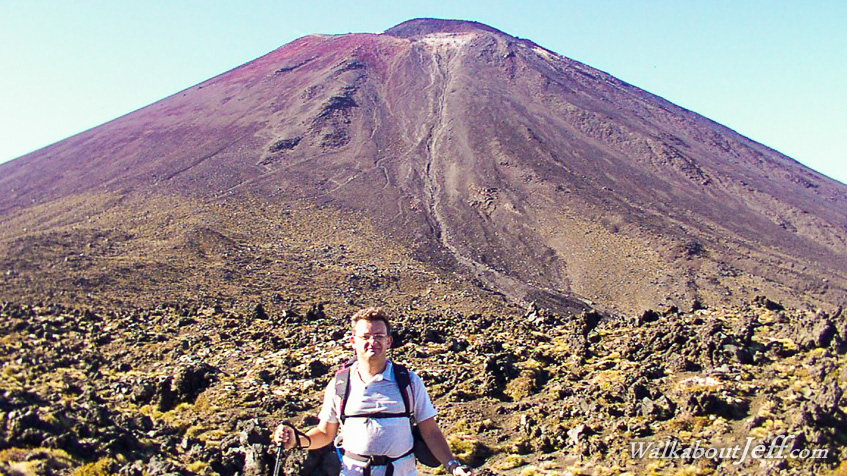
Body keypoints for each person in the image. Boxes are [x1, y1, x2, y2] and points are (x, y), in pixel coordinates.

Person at [274, 307, 474, 476]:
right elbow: (325, 433)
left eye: (379, 336)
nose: (373, 342)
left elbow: (430, 431)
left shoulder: (409, 382)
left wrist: (453, 466)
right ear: (353, 342)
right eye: (365, 337)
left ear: (389, 341)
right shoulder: (340, 384)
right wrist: (296, 441)